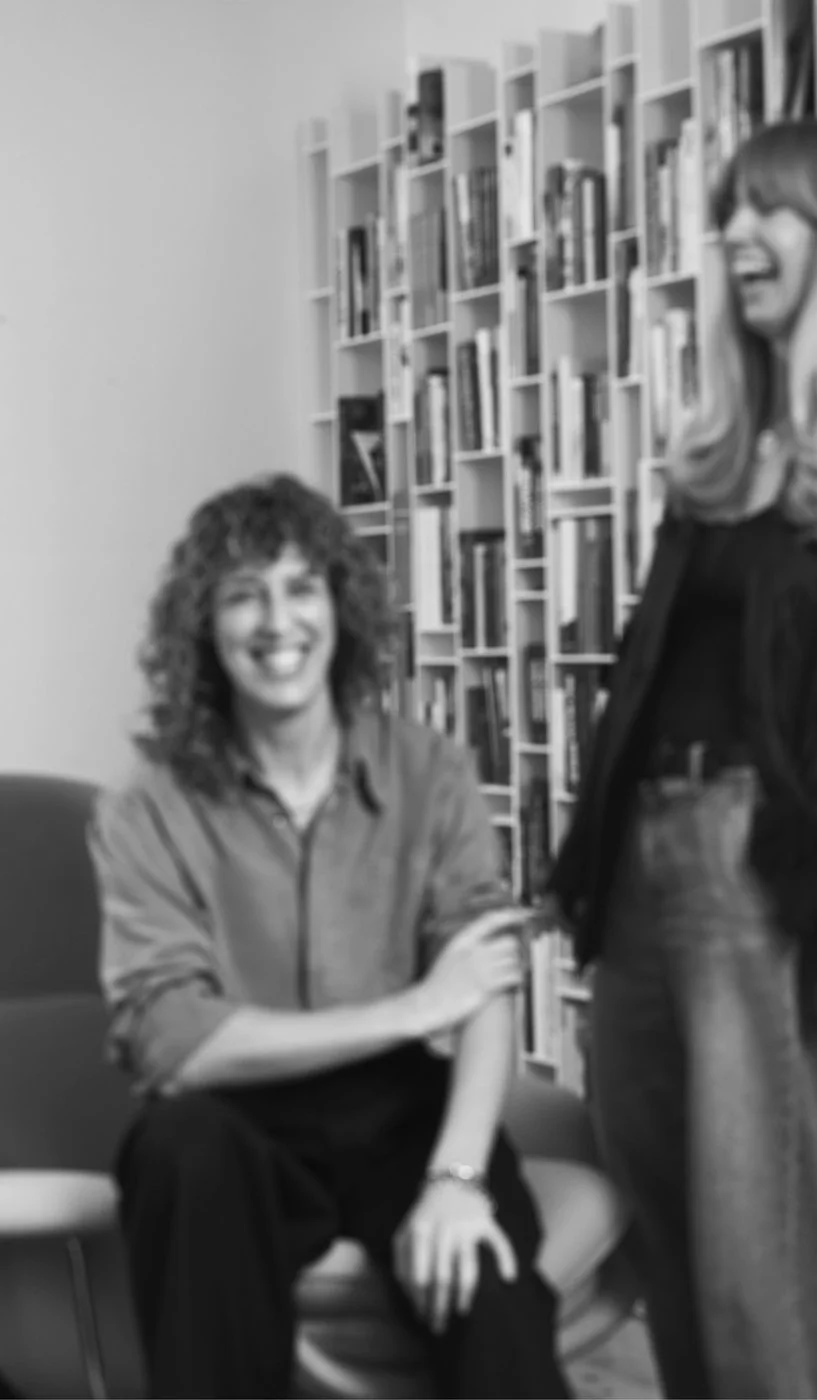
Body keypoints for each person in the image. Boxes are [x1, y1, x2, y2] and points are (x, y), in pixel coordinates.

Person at [548, 117, 817, 1399]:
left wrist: (776, 879)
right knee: (668, 1230)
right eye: (727, 210)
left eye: (768, 209)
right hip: (644, 863)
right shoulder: (719, 453)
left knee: (765, 1266)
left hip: (759, 860)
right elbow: (645, 676)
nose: (734, 233)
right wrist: (588, 861)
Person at [89, 474, 571, 1400]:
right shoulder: (144, 812)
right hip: (236, 1122)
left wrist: (458, 1177)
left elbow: (485, 990)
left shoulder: (431, 771)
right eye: (243, 595)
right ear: (204, 628)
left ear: (340, 609)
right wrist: (414, 1009)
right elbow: (176, 1046)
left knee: (494, 1297)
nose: (278, 623)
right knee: (179, 1151)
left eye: (300, 588)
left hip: (401, 1116)